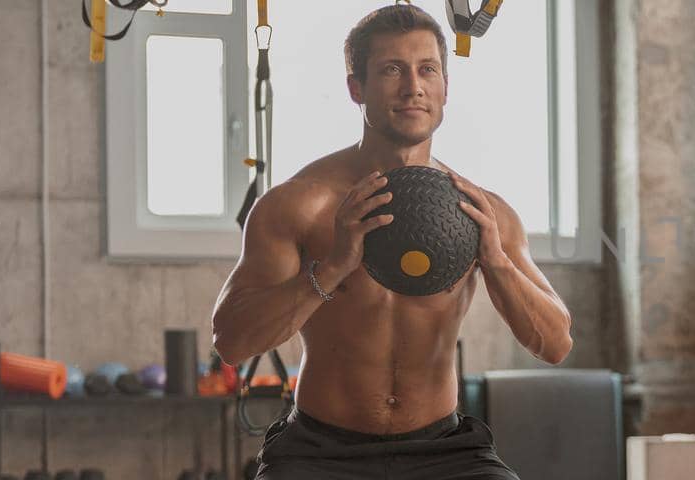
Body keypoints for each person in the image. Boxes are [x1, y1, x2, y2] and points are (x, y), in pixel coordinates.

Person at [210, 5, 572, 479]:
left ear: (445, 88)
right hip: (320, 451)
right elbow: (232, 341)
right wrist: (334, 267)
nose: (413, 87)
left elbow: (556, 344)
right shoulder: (299, 206)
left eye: (428, 70)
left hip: (443, 451)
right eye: (391, 70)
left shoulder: (486, 214)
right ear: (355, 88)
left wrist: (496, 262)